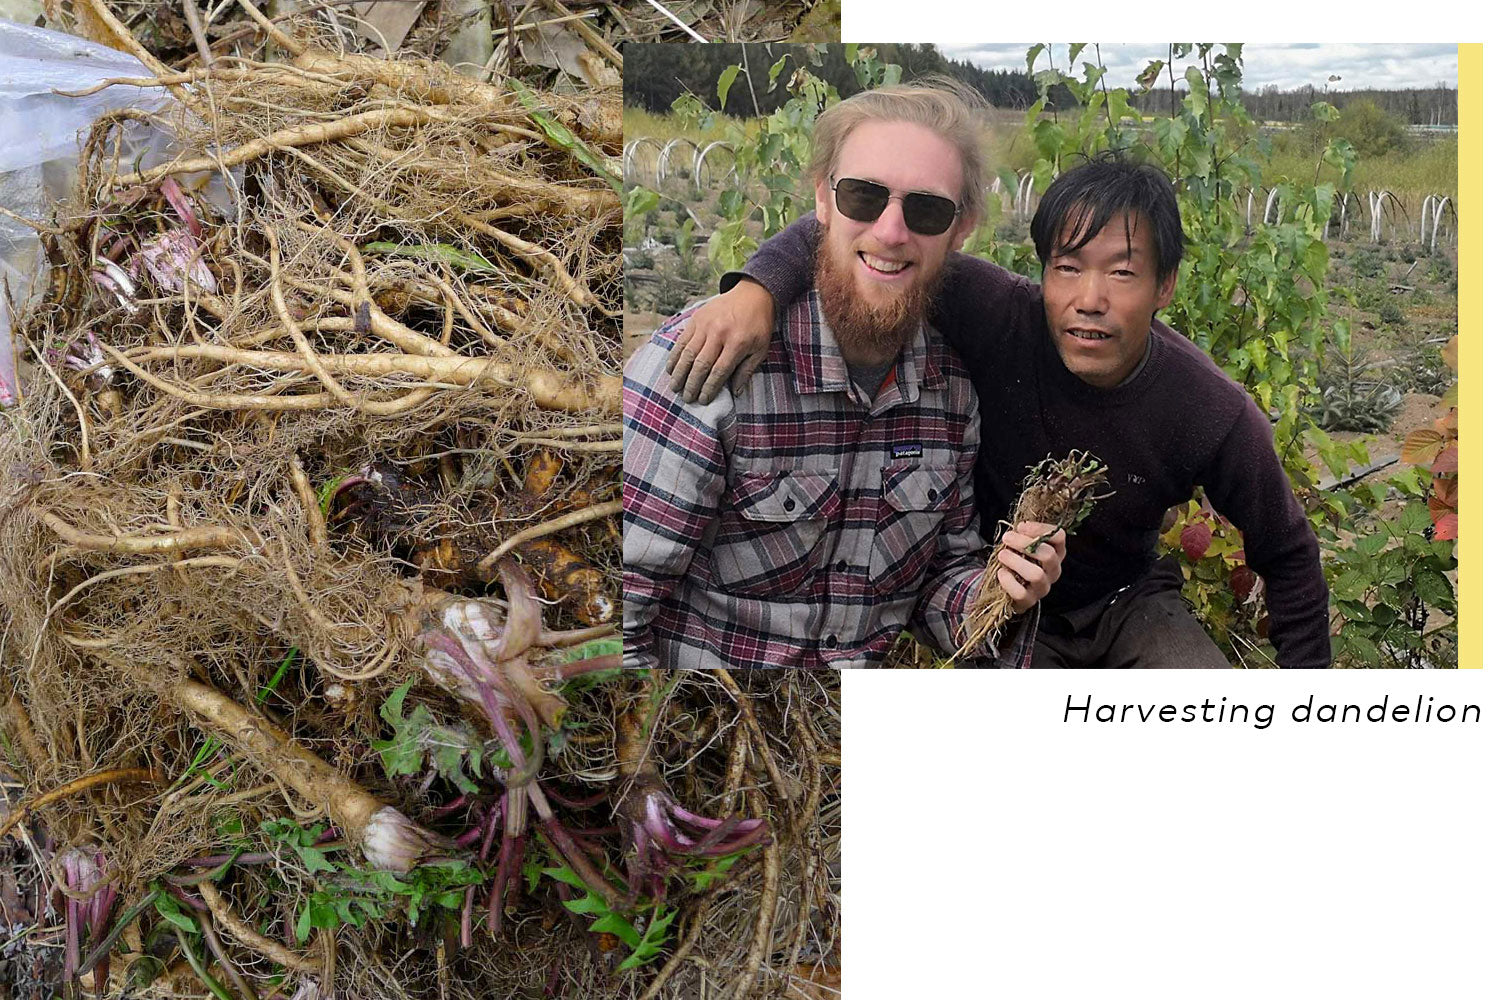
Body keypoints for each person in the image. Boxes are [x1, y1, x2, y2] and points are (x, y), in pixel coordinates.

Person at [671, 154, 1331, 669]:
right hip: (998, 603)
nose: (1089, 299)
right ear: (1042, 272)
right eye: (1067, 268)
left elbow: (1290, 555)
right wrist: (755, 291)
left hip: (1132, 603)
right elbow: (867, 243)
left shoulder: (1210, 409)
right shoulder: (996, 311)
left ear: (1165, 287)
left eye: (1123, 274)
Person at [623, 81, 1064, 669]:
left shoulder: (951, 397)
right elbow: (621, 611)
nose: (890, 231)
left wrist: (998, 593)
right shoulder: (714, 366)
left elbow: (938, 581)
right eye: (863, 196)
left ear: (963, 229)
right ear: (823, 202)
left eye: (927, 209)